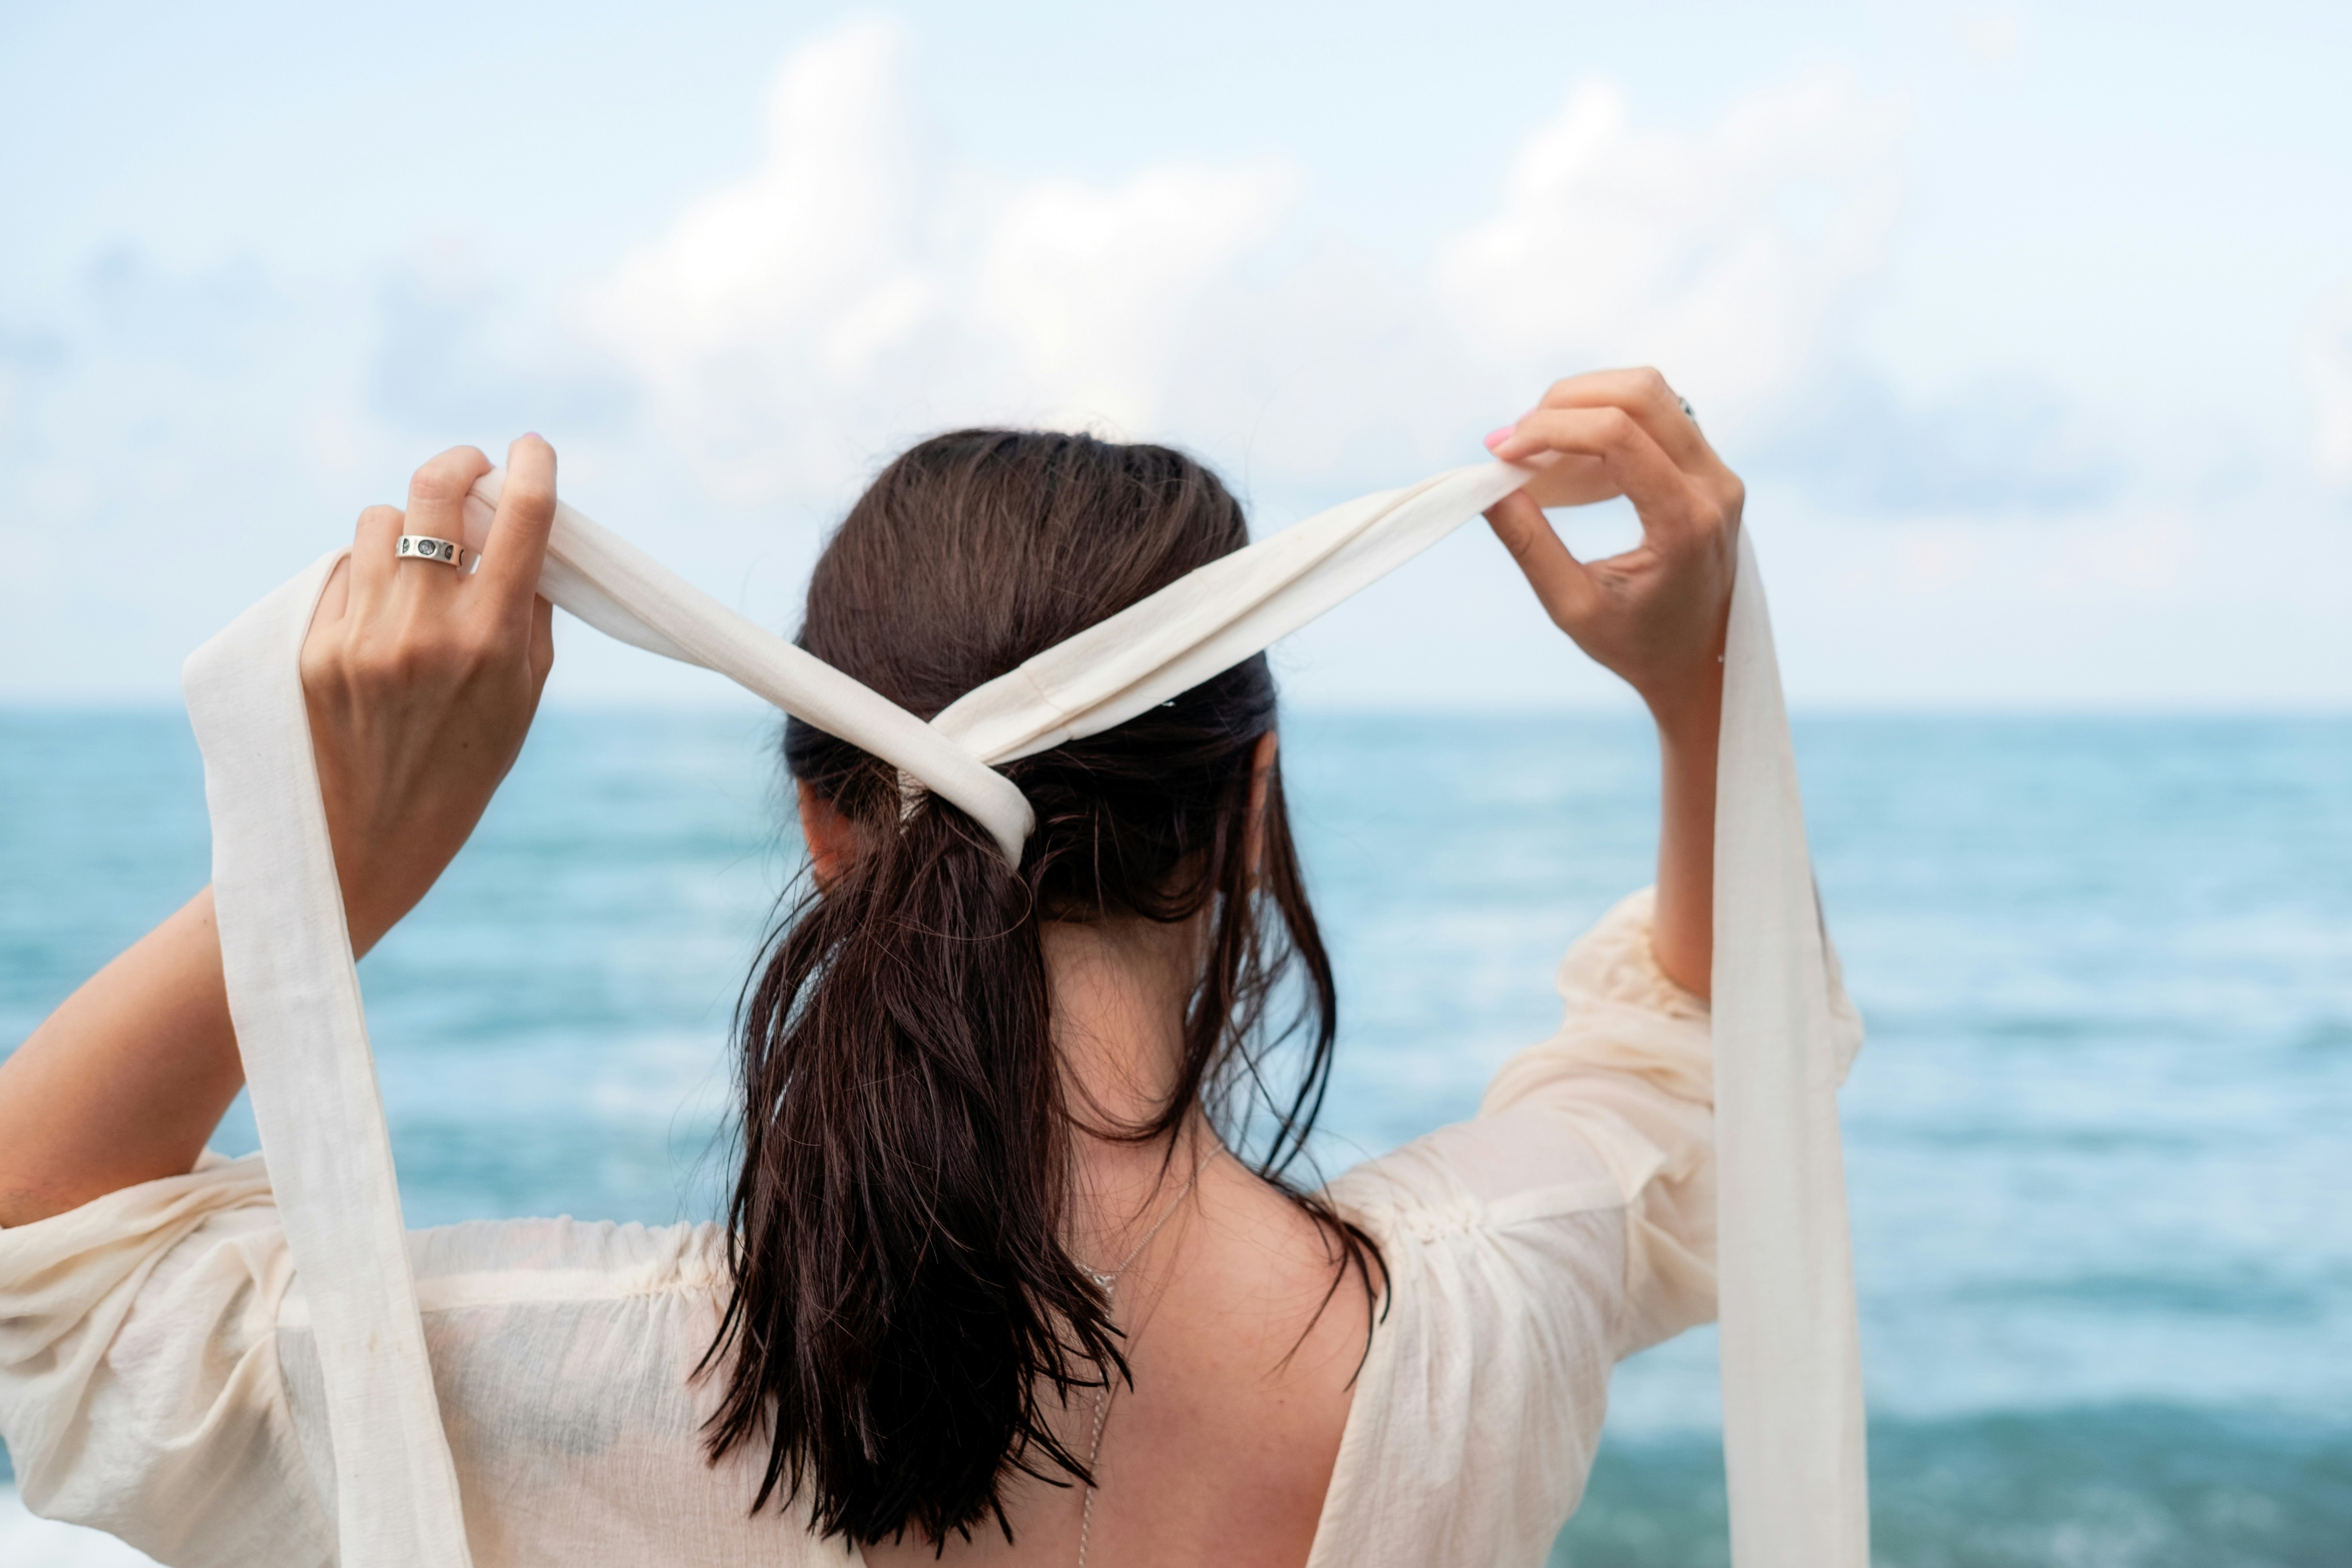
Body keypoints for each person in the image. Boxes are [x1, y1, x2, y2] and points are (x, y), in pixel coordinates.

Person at [0, 370, 1787, 1567]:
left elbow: (37, 1278)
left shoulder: (556, 1382)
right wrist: (1698, 691)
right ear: (1247, 809)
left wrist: (343, 856)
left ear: (824, 823)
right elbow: (1704, 1073)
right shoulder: (1491, 1302)